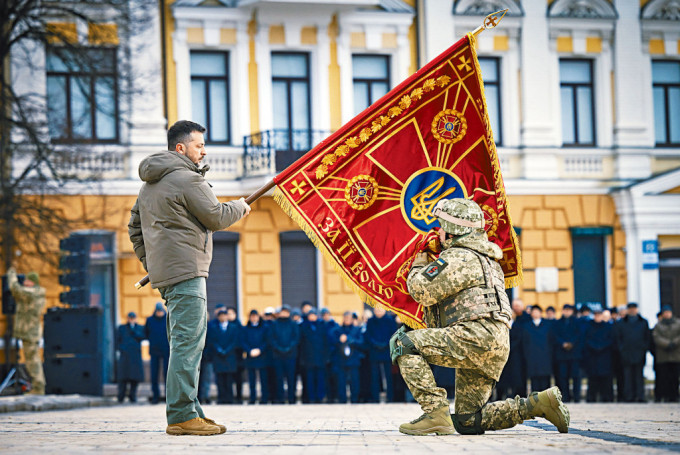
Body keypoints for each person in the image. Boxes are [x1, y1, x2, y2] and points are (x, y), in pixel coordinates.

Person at [391, 198, 569, 436]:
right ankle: (535, 405)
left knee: (403, 343)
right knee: (468, 420)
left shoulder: (460, 257)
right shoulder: (488, 260)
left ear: (454, 231)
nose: (439, 232)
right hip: (493, 341)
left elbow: (421, 290)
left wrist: (419, 261)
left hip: (474, 336)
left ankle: (435, 411)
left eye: (442, 226)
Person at [128, 120, 250, 435]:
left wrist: (151, 263)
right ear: (180, 148)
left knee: (183, 341)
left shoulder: (149, 184)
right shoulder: (186, 179)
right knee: (188, 343)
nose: (203, 151)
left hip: (168, 275)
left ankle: (191, 410)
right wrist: (240, 206)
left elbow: (134, 228)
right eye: (198, 145)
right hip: (187, 272)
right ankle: (182, 415)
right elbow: (217, 216)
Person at [7, 267, 46, 395]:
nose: (24, 282)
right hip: (30, 332)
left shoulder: (32, 293)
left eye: (27, 280)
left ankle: (38, 388)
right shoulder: (35, 293)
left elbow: (15, 289)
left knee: (32, 362)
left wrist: (11, 274)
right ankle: (37, 387)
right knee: (31, 360)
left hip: (30, 332)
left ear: (33, 282)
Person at [613, 302, 650, 402]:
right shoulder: (621, 323)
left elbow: (647, 337)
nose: (632, 310)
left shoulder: (643, 322)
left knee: (639, 376)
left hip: (639, 353)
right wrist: (622, 349)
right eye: (630, 308)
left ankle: (640, 396)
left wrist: (644, 348)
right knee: (627, 377)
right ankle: (629, 396)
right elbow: (618, 338)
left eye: (634, 308)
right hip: (626, 353)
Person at [206, 309, 241, 404]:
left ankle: (230, 398)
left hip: (230, 357)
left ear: (227, 316)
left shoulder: (234, 327)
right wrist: (219, 350)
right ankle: (221, 398)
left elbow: (235, 341)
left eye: (224, 315)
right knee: (220, 379)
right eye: (220, 316)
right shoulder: (214, 327)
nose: (223, 317)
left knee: (229, 379)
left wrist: (227, 350)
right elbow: (212, 341)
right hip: (218, 357)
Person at [267, 305, 300, 404]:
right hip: (277, 355)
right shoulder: (274, 324)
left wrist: (289, 348)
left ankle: (291, 398)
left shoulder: (293, 324)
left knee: (291, 378)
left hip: (291, 355)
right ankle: (280, 399)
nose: (284, 314)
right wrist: (279, 348)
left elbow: (296, 338)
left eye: (286, 312)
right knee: (279, 378)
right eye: (282, 312)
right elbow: (271, 338)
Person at [365, 306, 397, 403]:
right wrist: (376, 344)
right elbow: (368, 335)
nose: (378, 312)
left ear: (384, 310)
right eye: (376, 310)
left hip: (387, 351)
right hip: (374, 351)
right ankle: (375, 398)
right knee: (374, 376)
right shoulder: (370, 321)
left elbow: (394, 335)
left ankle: (390, 397)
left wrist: (385, 344)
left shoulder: (390, 321)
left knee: (388, 376)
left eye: (380, 310)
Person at [331, 311, 364, 403]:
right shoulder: (338, 330)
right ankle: (342, 399)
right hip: (341, 360)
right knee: (341, 381)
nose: (347, 320)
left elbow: (361, 342)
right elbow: (333, 342)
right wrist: (339, 340)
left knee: (354, 381)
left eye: (349, 319)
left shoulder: (357, 329)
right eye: (346, 318)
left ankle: (354, 399)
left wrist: (349, 339)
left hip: (353, 360)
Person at [553, 304, 582, 403]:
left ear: (572, 311)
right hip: (562, 355)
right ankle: (565, 397)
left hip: (574, 354)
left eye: (569, 310)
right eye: (565, 310)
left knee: (576, 377)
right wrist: (563, 343)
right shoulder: (558, 323)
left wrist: (571, 343)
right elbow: (555, 335)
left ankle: (576, 397)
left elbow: (579, 335)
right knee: (563, 377)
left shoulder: (577, 322)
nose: (567, 312)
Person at [584, 306, 614, 402]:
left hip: (605, 356)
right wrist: (594, 347)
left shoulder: (608, 327)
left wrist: (602, 346)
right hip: (593, 356)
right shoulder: (589, 326)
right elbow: (586, 339)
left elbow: (611, 340)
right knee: (593, 379)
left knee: (606, 379)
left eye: (599, 315)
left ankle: (606, 398)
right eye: (596, 315)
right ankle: (591, 398)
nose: (598, 317)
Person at [522, 306, 554, 392]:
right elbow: (525, 343)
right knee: (534, 381)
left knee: (545, 381)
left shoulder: (547, 325)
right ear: (531, 313)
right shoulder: (527, 326)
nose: (535, 313)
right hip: (532, 357)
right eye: (533, 312)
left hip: (545, 357)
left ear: (540, 313)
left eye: (537, 311)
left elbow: (551, 341)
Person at [652, 305, 680, 402]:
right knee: (664, 377)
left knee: (675, 377)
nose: (667, 314)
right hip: (663, 355)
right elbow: (656, 337)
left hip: (676, 355)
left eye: (668, 312)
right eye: (665, 313)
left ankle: (675, 396)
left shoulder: (678, 323)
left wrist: (674, 343)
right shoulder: (658, 325)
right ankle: (666, 396)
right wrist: (667, 344)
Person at [300, 309, 328, 403]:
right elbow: (301, 344)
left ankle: (320, 397)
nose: (312, 317)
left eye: (314, 315)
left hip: (320, 358)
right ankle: (311, 398)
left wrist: (326, 357)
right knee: (310, 380)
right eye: (310, 315)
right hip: (308, 358)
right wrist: (302, 358)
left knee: (320, 379)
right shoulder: (304, 327)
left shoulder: (322, 326)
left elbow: (326, 343)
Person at [116, 312, 145, 403]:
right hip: (125, 355)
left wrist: (134, 331)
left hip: (135, 356)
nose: (131, 319)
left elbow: (143, 337)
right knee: (123, 378)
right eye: (130, 318)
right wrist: (121, 349)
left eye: (133, 318)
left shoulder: (140, 328)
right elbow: (117, 340)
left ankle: (132, 396)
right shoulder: (122, 328)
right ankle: (121, 396)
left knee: (134, 378)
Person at [243, 309, 269, 404]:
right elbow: (243, 341)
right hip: (250, 357)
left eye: (255, 316)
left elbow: (267, 341)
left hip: (262, 357)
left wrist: (260, 350)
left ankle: (264, 399)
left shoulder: (264, 328)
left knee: (263, 379)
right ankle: (252, 398)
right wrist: (249, 351)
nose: (254, 318)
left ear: (258, 317)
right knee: (252, 380)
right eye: (252, 316)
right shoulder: (246, 328)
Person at [145, 302, 170, 404]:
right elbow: (146, 333)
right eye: (158, 311)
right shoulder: (150, 320)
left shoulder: (168, 319)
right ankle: (155, 396)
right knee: (154, 374)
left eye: (161, 311)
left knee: (167, 374)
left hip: (166, 350)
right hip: (154, 350)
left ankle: (167, 396)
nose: (159, 313)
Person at [320, 308, 339, 402]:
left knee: (335, 377)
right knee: (325, 378)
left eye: (327, 314)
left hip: (334, 355)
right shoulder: (320, 325)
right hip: (323, 355)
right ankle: (328, 397)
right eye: (323, 315)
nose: (325, 316)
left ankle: (335, 396)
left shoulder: (335, 325)